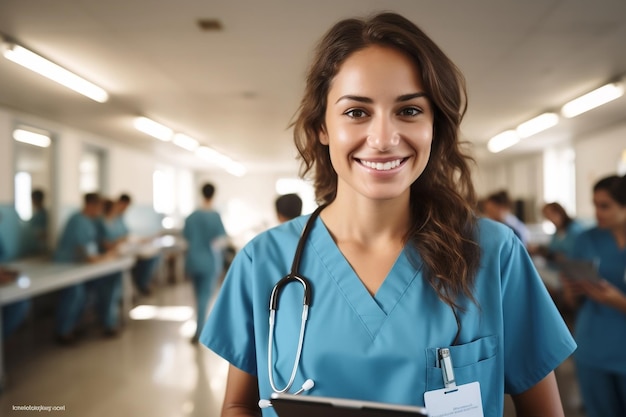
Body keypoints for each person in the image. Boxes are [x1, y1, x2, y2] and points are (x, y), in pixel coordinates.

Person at [200, 12, 576, 417]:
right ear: (322, 126)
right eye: (356, 112)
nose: (383, 139)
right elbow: (239, 403)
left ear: (435, 125)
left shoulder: (493, 254)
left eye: (409, 111)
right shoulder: (264, 261)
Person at [561, 174, 626, 417]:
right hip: (593, 347)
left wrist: (617, 302)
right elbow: (571, 303)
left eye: (605, 206)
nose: (597, 212)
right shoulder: (586, 239)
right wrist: (571, 290)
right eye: (595, 204)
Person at [54, 192, 118, 344]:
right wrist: (107, 257)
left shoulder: (88, 221)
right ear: (91, 205)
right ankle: (63, 332)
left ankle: (73, 326)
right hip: (67, 266)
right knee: (75, 293)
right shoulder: (77, 221)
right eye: (99, 207)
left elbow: (93, 246)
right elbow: (87, 255)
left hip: (79, 266)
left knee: (89, 291)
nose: (101, 211)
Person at [183, 183, 228, 344]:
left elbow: (186, 237)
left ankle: (199, 327)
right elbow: (221, 240)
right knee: (204, 296)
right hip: (209, 261)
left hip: (193, 260)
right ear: (213, 194)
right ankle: (200, 331)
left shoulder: (192, 216)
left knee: (197, 295)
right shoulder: (215, 216)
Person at [25, 188, 49, 255]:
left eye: (32, 199)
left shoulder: (43, 214)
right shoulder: (37, 213)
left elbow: (42, 233)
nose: (32, 201)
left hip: (38, 245)